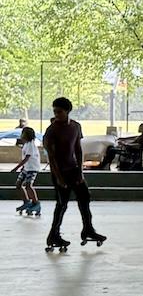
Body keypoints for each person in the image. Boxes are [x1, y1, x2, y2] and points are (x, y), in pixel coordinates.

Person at [42, 97, 104, 252]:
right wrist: (59, 178)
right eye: (55, 111)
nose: (56, 114)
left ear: (67, 111)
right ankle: (53, 234)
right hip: (60, 172)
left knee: (85, 197)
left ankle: (88, 229)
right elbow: (52, 158)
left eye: (60, 112)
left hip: (74, 170)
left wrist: (80, 172)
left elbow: (78, 149)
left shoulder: (76, 126)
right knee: (61, 204)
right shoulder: (52, 130)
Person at [11, 124, 41, 217]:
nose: (21, 135)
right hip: (26, 168)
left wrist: (16, 168)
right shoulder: (26, 144)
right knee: (18, 185)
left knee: (28, 185)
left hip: (32, 168)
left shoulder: (31, 144)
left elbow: (26, 158)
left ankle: (36, 203)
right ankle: (26, 201)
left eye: (23, 133)